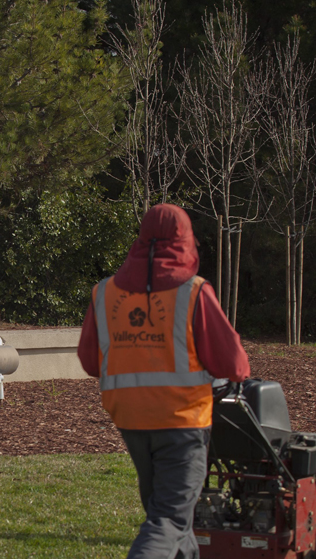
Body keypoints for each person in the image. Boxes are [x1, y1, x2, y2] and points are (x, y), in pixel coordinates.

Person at [77, 203, 249, 559]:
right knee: (169, 519)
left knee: (177, 523)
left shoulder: (105, 292)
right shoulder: (194, 292)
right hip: (181, 423)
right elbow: (233, 362)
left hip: (131, 421)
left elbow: (89, 360)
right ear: (186, 241)